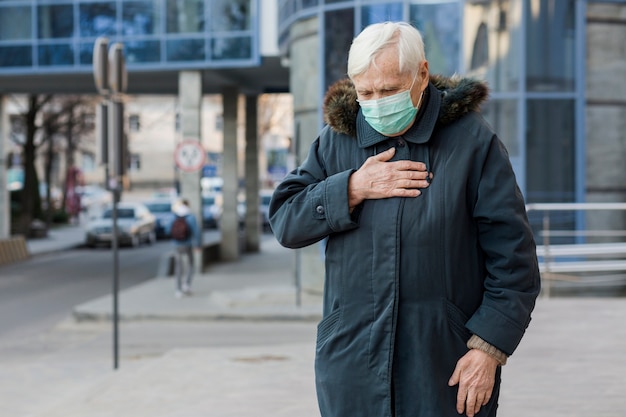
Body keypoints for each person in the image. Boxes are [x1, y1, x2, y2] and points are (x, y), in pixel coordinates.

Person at [269, 21, 540, 417]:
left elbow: (514, 262)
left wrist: (489, 348)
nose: (376, 102)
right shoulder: (337, 141)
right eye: (365, 92)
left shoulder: (472, 143)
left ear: (422, 74)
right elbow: (286, 221)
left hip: (445, 368)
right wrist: (351, 188)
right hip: (352, 369)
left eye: (389, 90)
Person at [167, 198, 201, 298]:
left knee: (178, 267)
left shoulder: (174, 216)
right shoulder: (191, 216)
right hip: (187, 244)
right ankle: (186, 284)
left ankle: (178, 290)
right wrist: (198, 245)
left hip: (176, 245)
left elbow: (168, 229)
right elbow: (197, 232)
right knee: (191, 264)